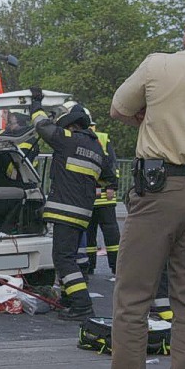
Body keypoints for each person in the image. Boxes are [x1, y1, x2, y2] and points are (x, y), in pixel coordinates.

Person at [107, 0, 185, 369]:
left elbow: (119, 108)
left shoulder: (160, 65)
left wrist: (148, 116)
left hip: (160, 189)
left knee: (133, 298)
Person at [29, 88, 114, 321]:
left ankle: (82, 306)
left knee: (63, 259)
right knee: (72, 258)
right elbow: (110, 178)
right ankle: (68, 300)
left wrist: (36, 104)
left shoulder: (68, 139)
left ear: (70, 124)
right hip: (84, 213)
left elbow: (42, 126)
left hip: (65, 210)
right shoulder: (97, 148)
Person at [84, 116, 120, 275]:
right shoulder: (98, 138)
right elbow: (112, 164)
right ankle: (113, 266)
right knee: (104, 232)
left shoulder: (94, 139)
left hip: (99, 195)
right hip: (99, 195)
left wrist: (108, 185)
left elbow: (110, 164)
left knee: (96, 233)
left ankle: (93, 266)